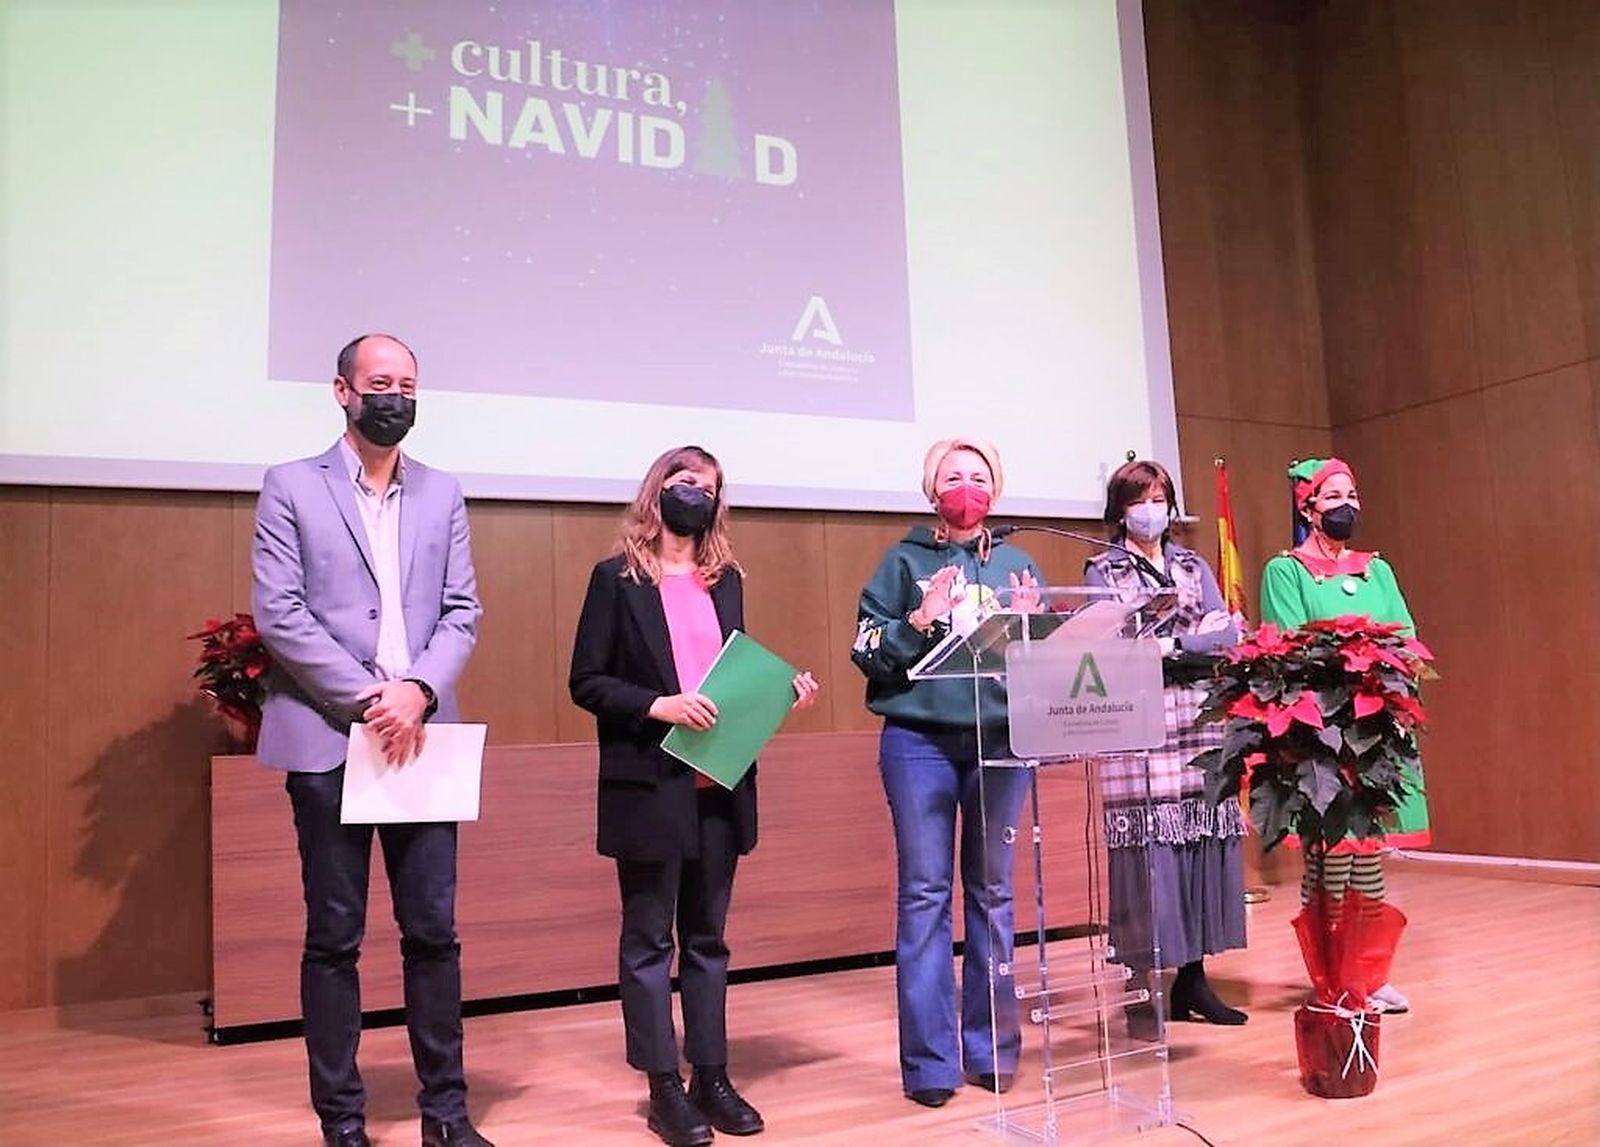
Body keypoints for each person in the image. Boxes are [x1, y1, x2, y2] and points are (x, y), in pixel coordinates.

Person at [251, 334, 491, 1147]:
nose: (395, 395)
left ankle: (446, 1115)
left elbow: (462, 610)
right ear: (342, 391)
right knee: (335, 937)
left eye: (408, 383)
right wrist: (371, 699)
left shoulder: (442, 491)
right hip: (329, 735)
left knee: (434, 933)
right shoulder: (291, 485)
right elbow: (279, 613)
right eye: (379, 382)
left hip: (421, 738)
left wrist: (417, 690)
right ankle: (343, 1121)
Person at [570, 445, 820, 1147]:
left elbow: (728, 678)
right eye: (684, 482)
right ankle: (663, 1087)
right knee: (650, 940)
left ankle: (712, 1073)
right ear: (657, 490)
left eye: (707, 487)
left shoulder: (726, 578)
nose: (695, 494)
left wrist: (781, 692)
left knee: (707, 940)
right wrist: (659, 705)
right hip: (649, 784)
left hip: (720, 782)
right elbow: (586, 681)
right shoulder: (615, 578)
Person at [851, 438, 1042, 1108]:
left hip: (1000, 744)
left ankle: (990, 1050)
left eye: (979, 476)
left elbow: (1037, 665)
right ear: (932, 491)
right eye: (953, 477)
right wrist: (918, 619)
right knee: (925, 896)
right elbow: (866, 649)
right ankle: (931, 1063)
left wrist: (1032, 627)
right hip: (919, 743)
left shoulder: (1019, 562)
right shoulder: (902, 560)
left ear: (998, 488)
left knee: (994, 895)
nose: (967, 486)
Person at [1259, 456, 1430, 1015]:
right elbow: (1288, 645)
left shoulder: (1376, 570)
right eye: (1332, 497)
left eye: (1351, 494)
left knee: (1370, 854)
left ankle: (1371, 975)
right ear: (1307, 507)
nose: (1345, 506)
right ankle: (1332, 976)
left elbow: (1405, 636)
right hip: (1323, 733)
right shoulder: (1285, 570)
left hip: (1376, 727)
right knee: (1330, 854)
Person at [1082, 459, 1248, 1028]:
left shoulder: (1192, 563)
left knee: (1199, 835)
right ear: (1120, 510)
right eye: (1139, 498)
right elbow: (1117, 642)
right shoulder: (1103, 569)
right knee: (1147, 850)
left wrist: (1174, 646)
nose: (1151, 508)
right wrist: (1187, 643)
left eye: (1160, 497)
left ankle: (1193, 982)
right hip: (1139, 719)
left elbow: (1226, 633)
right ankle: (1139, 988)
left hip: (1199, 716)